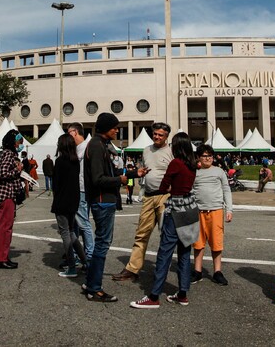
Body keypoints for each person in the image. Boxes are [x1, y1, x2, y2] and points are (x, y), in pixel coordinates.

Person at [130, 132, 198, 308]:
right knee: (184, 251)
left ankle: (154, 296)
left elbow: (163, 185)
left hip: (175, 206)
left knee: (165, 251)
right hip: (189, 207)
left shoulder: (175, 163)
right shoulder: (192, 164)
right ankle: (182, 292)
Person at [84, 113, 141, 302]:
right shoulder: (96, 146)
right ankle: (94, 288)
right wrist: (120, 180)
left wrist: (134, 173)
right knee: (102, 244)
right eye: (114, 127)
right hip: (102, 201)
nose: (117, 130)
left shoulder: (100, 145)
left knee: (101, 243)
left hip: (104, 200)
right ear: (105, 128)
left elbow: (112, 171)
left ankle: (90, 282)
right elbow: (98, 178)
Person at [112, 122, 172, 282]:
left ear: (167, 136)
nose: (157, 137)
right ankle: (132, 269)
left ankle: (161, 269)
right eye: (155, 134)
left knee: (166, 234)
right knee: (141, 233)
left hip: (166, 197)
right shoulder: (146, 150)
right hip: (149, 196)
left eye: (161, 135)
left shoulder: (171, 151)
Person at [190, 144, 233, 285]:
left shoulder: (219, 171)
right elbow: (190, 190)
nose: (207, 158)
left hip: (216, 210)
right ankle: (197, 271)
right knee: (198, 243)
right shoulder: (194, 172)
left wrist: (229, 210)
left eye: (210, 156)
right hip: (198, 211)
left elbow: (226, 190)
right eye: (204, 156)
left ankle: (217, 271)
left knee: (216, 242)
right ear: (198, 157)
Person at [52, 134, 87, 277]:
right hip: (74, 199)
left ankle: (71, 266)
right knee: (72, 232)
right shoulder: (75, 161)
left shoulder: (60, 161)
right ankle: (85, 261)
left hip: (62, 200)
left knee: (65, 233)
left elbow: (56, 184)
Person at [0, 130, 25, 269]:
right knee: (5, 227)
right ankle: (1, 258)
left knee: (6, 227)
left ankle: (4, 256)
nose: (20, 144)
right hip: (6, 194)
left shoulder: (8, 153)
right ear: (13, 142)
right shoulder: (8, 154)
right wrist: (18, 170)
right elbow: (3, 172)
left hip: (7, 194)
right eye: (18, 142)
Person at [66, 123, 95, 264]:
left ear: (75, 132)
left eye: (69, 132)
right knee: (76, 225)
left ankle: (89, 255)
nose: (68, 135)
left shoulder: (86, 147)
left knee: (83, 223)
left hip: (82, 189)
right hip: (76, 189)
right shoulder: (77, 148)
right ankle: (79, 254)